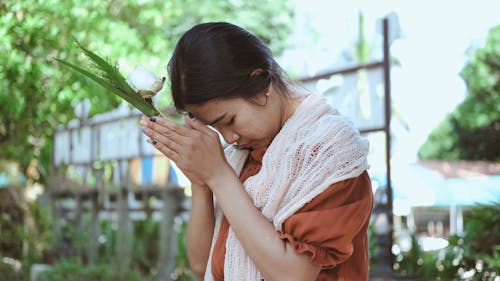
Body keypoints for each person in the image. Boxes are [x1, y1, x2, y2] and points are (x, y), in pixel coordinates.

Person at [140, 22, 373, 281]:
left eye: (229, 120)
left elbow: (293, 275)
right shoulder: (236, 159)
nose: (229, 137)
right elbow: (201, 266)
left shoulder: (330, 151)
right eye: (214, 127)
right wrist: (202, 182)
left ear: (261, 81)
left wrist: (219, 176)